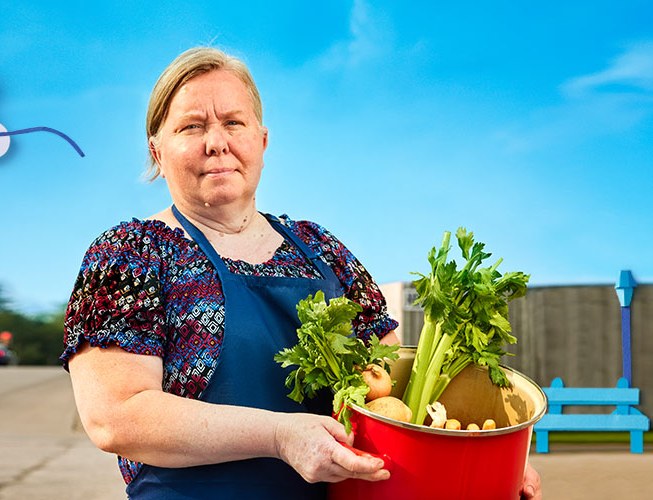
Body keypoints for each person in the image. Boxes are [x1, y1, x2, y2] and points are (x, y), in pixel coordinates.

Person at [62, 47, 541, 500]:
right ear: (157, 151)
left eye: (234, 122)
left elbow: (391, 389)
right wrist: (280, 436)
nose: (217, 142)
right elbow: (117, 417)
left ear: (262, 141)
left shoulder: (321, 250)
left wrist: (482, 452)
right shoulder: (128, 255)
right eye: (191, 127)